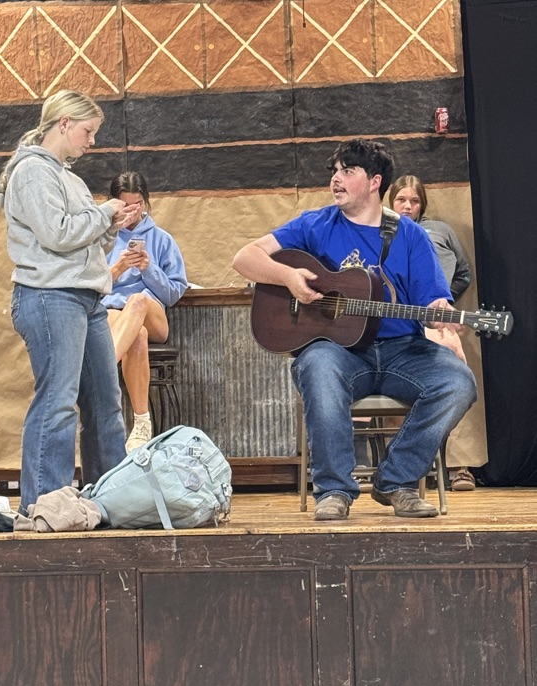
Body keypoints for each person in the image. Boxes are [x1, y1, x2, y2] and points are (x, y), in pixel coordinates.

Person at [232, 139, 477, 522]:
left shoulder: (409, 235)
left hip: (403, 349)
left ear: (375, 181)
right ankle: (333, 490)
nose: (336, 179)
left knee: (458, 383)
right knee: (317, 368)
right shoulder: (315, 224)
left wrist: (441, 313)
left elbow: (433, 303)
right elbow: (244, 257)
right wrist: (289, 277)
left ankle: (396, 480)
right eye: (334, 171)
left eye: (348, 171)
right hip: (339, 351)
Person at [0, 89, 137, 512]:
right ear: (63, 123)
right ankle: (43, 505)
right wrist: (103, 212)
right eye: (88, 131)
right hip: (49, 296)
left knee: (104, 402)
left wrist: (113, 223)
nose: (92, 141)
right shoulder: (32, 172)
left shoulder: (68, 176)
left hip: (87, 298)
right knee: (58, 401)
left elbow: (82, 240)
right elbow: (57, 234)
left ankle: (110, 499)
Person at [388, 174, 478, 491]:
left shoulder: (441, 231)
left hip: (438, 322)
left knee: (456, 381)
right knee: (401, 394)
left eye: (414, 200)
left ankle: (458, 466)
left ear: (422, 203)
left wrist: (442, 301)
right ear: (391, 201)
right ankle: (407, 470)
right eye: (402, 200)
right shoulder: (382, 234)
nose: (409, 206)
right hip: (400, 325)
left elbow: (464, 271)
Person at [102, 172, 187, 451]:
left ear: (146, 202)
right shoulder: (102, 240)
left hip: (153, 313)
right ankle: (142, 423)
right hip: (114, 312)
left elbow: (174, 293)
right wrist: (118, 268)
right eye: (125, 205)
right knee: (135, 334)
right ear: (114, 204)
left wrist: (147, 268)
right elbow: (90, 287)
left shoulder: (162, 239)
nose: (132, 210)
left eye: (138, 203)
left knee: (137, 301)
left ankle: (101, 372)